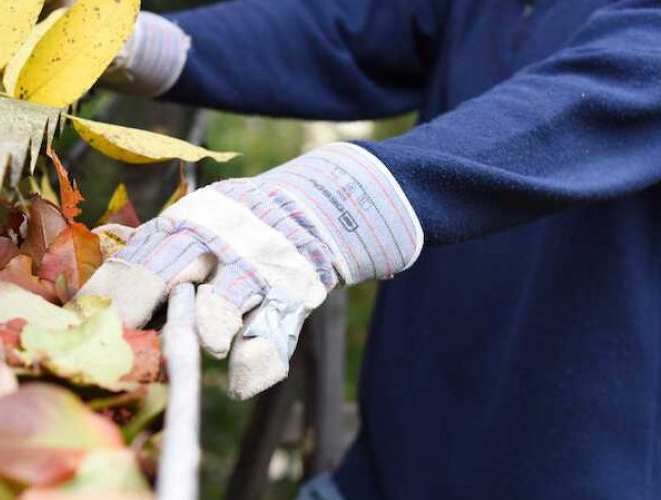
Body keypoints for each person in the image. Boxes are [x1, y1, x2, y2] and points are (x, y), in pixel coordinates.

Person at [76, 1, 661, 498]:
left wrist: (348, 200)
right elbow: (355, 32)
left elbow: (636, 71)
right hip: (385, 468)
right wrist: (142, 44)